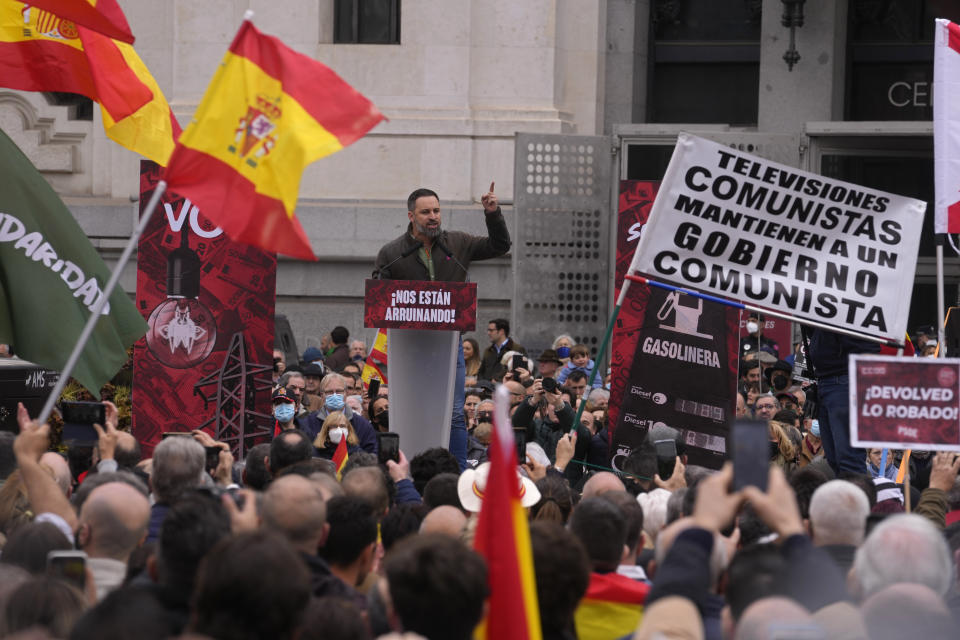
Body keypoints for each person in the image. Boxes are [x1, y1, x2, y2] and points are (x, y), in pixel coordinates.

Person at [374, 185, 510, 468]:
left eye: (436, 211)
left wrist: (493, 213)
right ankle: (407, 467)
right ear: (411, 215)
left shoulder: (458, 243)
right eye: (426, 212)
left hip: (449, 346)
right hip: (409, 347)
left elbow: (500, 246)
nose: (433, 217)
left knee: (455, 413)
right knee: (411, 411)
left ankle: (459, 471)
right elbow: (378, 298)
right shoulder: (392, 253)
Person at [303, 373, 377, 456]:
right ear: (322, 395)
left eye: (339, 391)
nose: (334, 395)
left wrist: (351, 446)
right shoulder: (308, 423)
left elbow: (372, 457)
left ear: (345, 393)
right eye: (329, 392)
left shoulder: (362, 424)